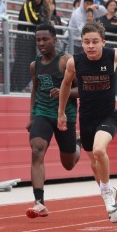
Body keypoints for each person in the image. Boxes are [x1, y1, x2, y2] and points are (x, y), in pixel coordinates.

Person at [57, 22, 117, 224]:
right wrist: (61, 112)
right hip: (86, 118)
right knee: (94, 163)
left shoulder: (112, 55)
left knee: (99, 151)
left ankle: (106, 192)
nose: (90, 46)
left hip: (108, 116)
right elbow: (65, 85)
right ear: (81, 43)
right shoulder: (74, 62)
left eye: (95, 42)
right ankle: (108, 190)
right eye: (86, 42)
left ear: (103, 42)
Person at [26, 24, 81, 218]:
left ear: (55, 40)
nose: (41, 43)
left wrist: (65, 92)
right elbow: (35, 89)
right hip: (42, 112)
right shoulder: (34, 65)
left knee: (68, 164)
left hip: (65, 115)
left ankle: (77, 144)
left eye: (45, 39)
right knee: (36, 150)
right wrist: (32, 116)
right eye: (38, 40)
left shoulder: (66, 62)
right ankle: (39, 203)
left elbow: (82, 89)